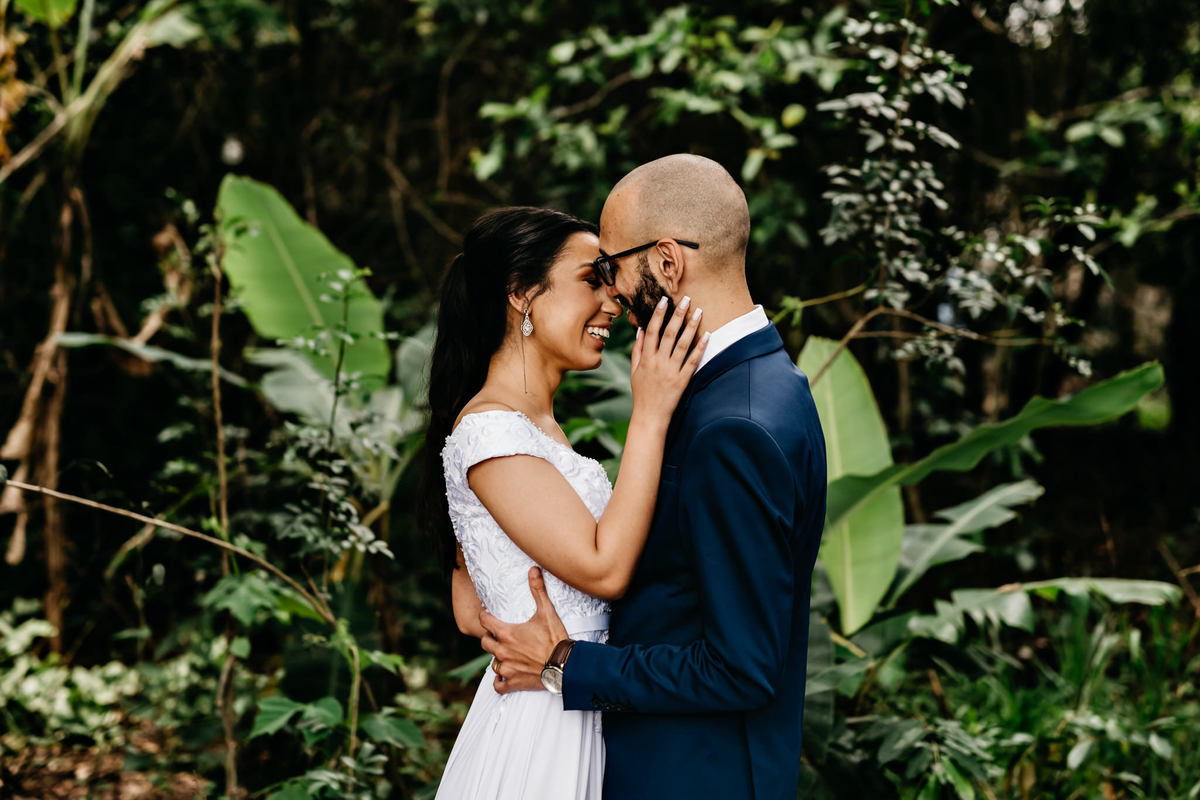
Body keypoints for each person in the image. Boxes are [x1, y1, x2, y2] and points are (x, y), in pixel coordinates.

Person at [478, 154, 828, 800]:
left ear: (668, 262)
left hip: (696, 777)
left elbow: (741, 669)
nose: (609, 292)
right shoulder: (764, 384)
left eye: (612, 267)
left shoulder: (735, 426)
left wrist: (564, 666)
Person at [420, 205, 708, 799]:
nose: (612, 303)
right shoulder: (491, 432)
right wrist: (650, 412)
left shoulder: (533, 429)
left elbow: (473, 610)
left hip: (569, 698)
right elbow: (602, 568)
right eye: (590, 280)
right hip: (544, 730)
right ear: (523, 294)